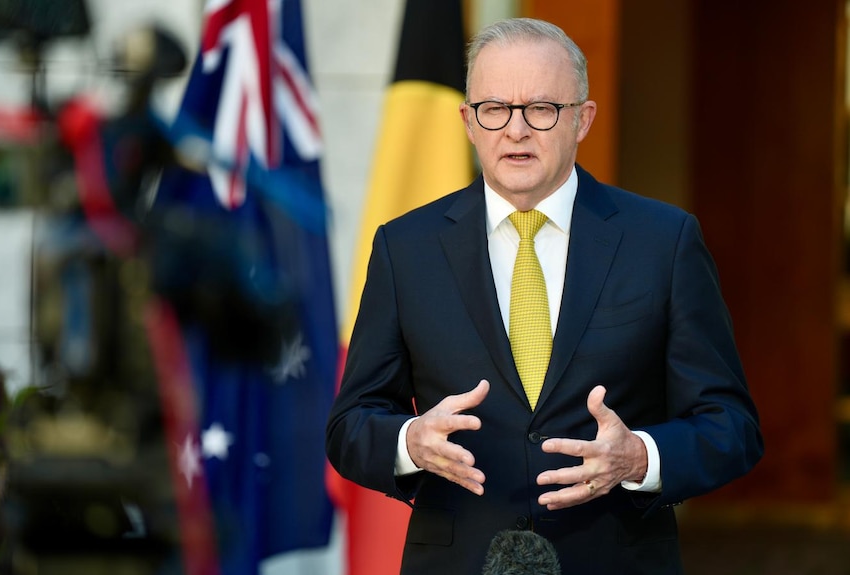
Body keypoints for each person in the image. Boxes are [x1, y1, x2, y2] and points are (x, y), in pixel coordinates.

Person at [326, 17, 763, 575]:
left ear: (583, 119)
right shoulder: (404, 248)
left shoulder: (664, 242)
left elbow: (732, 426)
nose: (516, 130)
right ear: (467, 121)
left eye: (541, 109)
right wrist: (410, 441)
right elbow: (350, 425)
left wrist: (640, 457)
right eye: (495, 109)